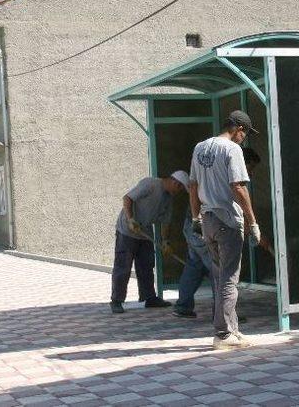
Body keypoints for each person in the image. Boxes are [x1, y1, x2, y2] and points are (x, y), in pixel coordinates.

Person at [189, 110, 261, 350]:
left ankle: (233, 329)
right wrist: (252, 222)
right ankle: (222, 334)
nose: (245, 138)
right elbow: (238, 187)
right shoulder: (232, 150)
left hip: (208, 219)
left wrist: (195, 217)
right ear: (238, 128)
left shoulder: (200, 147)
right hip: (228, 221)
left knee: (220, 278)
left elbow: (193, 186)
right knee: (229, 279)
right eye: (245, 133)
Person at [173, 147, 266, 319]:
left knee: (194, 266)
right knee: (221, 271)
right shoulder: (230, 180)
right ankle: (223, 315)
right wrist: (252, 226)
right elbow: (230, 203)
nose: (251, 173)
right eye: (250, 168)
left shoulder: (215, 174)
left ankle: (183, 307)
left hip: (194, 226)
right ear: (241, 163)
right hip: (205, 225)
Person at [110, 171, 189, 314]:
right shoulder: (150, 184)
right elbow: (127, 198)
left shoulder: (168, 198)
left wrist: (165, 241)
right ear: (175, 183)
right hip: (127, 230)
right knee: (123, 266)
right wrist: (130, 219)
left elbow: (165, 222)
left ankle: (149, 298)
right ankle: (116, 300)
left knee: (146, 265)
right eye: (180, 189)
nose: (179, 192)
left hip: (144, 232)